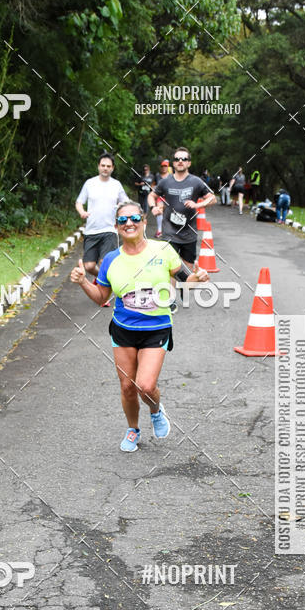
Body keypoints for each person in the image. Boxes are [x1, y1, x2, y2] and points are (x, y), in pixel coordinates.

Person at [70, 200, 209, 452]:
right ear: (116, 227)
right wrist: (82, 282)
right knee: (126, 386)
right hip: (123, 329)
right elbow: (102, 297)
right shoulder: (111, 259)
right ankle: (133, 429)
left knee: (145, 385)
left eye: (134, 218)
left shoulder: (163, 250)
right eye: (122, 220)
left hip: (156, 327)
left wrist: (196, 278)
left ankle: (156, 410)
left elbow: (186, 278)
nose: (129, 223)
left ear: (144, 221)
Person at [148, 147, 216, 289]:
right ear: (173, 163)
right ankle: (170, 300)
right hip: (169, 232)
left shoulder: (196, 182)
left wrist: (198, 205)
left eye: (184, 159)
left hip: (188, 234)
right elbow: (151, 195)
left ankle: (183, 288)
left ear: (189, 163)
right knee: (170, 268)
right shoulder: (166, 182)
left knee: (187, 272)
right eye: (177, 159)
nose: (180, 161)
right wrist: (153, 207)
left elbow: (213, 198)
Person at [75, 153, 129, 279]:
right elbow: (79, 202)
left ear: (112, 168)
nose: (105, 168)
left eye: (108, 166)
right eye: (103, 165)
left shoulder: (116, 185)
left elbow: (126, 202)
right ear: (98, 166)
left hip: (109, 230)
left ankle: (105, 294)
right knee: (89, 266)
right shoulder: (90, 183)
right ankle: (103, 280)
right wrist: (82, 212)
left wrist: (122, 205)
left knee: (106, 263)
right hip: (91, 230)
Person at [153, 159, 171, 236]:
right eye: (162, 166)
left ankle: (169, 230)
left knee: (168, 213)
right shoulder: (157, 175)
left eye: (165, 166)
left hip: (169, 197)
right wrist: (153, 189)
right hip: (160, 197)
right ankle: (159, 230)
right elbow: (153, 184)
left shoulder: (171, 176)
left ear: (168, 167)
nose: (164, 168)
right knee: (159, 211)